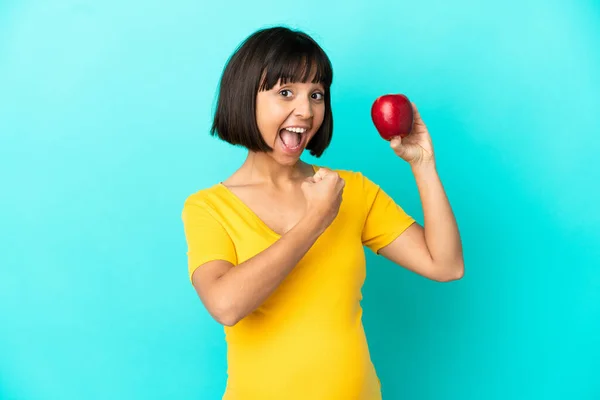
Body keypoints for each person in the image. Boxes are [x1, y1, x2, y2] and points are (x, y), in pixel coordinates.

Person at [181, 26, 464, 400]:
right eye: (286, 93)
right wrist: (315, 219)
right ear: (244, 98)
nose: (306, 110)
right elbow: (227, 304)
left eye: (316, 95)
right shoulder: (208, 207)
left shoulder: (351, 190)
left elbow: (445, 265)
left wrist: (423, 165)